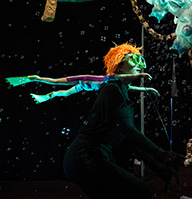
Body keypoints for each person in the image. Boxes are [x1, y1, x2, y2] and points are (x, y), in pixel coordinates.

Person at [63, 43, 182, 198]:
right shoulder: (112, 90)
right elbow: (129, 131)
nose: (139, 64)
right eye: (133, 59)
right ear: (118, 67)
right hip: (85, 157)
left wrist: (157, 167)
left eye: (141, 60)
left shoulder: (120, 90)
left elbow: (129, 139)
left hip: (90, 157)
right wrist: (161, 154)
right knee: (141, 192)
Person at [6, 72, 159, 104]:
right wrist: (141, 75)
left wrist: (148, 90)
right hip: (85, 80)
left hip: (85, 87)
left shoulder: (120, 85)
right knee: (57, 81)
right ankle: (36, 78)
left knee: (65, 94)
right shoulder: (112, 77)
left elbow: (131, 88)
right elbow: (124, 77)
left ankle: (47, 96)